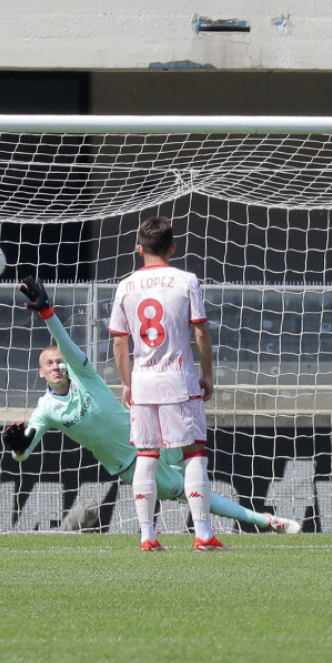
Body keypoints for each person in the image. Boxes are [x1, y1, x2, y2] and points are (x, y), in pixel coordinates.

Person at [3, 276, 301, 539]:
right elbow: (24, 452)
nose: (56, 366)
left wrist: (47, 314)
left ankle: (236, 527)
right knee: (197, 495)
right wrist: (17, 447)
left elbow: (64, 342)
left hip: (150, 432)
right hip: (131, 462)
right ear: (40, 373)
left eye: (58, 361)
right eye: (48, 364)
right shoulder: (45, 409)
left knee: (197, 469)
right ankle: (266, 521)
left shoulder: (84, 376)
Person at [109, 216, 225, 551]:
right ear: (172, 247)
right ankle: (203, 534)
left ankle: (147, 536)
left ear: (138, 248)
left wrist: (127, 384)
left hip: (143, 383)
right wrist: (207, 374)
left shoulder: (126, 286)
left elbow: (119, 342)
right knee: (194, 452)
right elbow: (200, 330)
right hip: (178, 380)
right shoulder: (186, 280)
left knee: (147, 454)